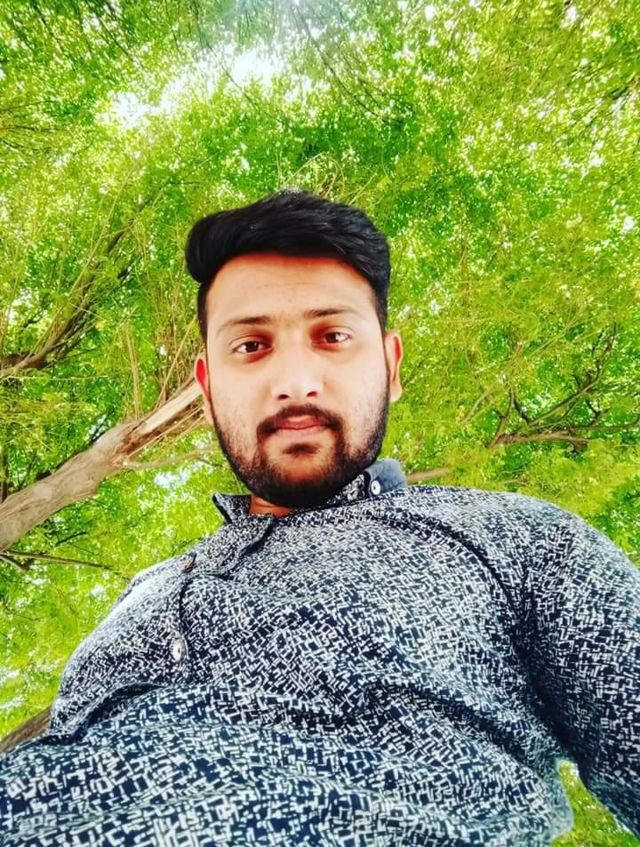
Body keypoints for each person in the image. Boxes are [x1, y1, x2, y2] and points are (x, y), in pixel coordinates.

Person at [1, 190, 638, 846]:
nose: (296, 381)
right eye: (251, 345)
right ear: (208, 387)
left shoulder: (523, 541)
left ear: (389, 366)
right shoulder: (147, 585)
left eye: (332, 337)